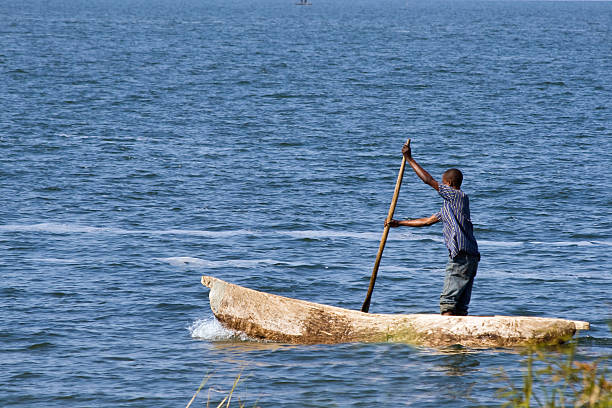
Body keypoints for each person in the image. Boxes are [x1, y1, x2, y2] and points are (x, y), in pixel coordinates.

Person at [386, 141, 480, 316]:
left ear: (450, 184)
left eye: (444, 184)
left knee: (448, 303)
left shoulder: (457, 195)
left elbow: (428, 181)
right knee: (459, 305)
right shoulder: (449, 208)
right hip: (470, 257)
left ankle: (445, 335)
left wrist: (409, 159)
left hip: (461, 256)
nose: (441, 187)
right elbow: (427, 221)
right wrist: (399, 223)